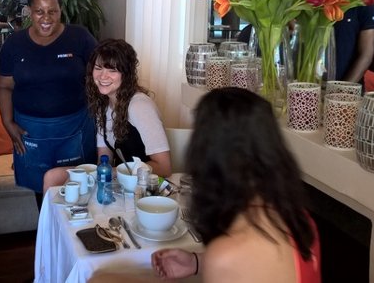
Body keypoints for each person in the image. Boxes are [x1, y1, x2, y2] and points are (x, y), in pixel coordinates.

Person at [91, 88, 321, 283]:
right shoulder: (300, 221)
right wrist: (197, 262)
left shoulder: (228, 254)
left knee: (101, 278)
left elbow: (239, 262)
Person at [0, 0, 98, 202]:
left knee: (79, 189)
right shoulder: (14, 44)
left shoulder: (80, 37)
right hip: (30, 130)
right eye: (39, 11)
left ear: (61, 10)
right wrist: (7, 122)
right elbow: (4, 86)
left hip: (75, 127)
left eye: (52, 11)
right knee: (41, 190)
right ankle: (47, 224)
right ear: (29, 12)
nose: (46, 18)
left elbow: (100, 75)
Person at [43, 39, 171, 190]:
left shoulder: (139, 106)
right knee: (52, 177)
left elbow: (164, 167)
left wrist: (112, 173)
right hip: (120, 181)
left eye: (112, 70)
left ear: (126, 74)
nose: (103, 76)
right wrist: (101, 176)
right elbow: (104, 159)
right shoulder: (103, 105)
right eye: (98, 68)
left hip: (145, 186)